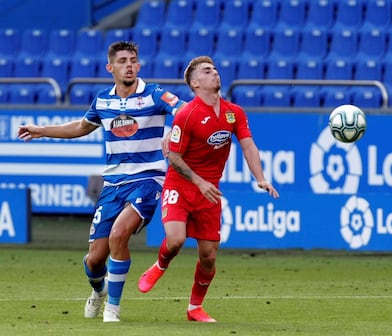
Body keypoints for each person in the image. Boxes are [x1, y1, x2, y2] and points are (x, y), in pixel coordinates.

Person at [17, 41, 186, 322]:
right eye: (122, 61)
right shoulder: (103, 100)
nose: (129, 65)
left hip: (147, 180)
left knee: (120, 236)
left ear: (139, 65)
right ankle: (99, 291)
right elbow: (81, 127)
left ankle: (113, 310)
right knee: (94, 260)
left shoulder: (155, 94)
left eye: (133, 60)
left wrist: (171, 131)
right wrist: (41, 130)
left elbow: (184, 110)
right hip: (113, 185)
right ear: (110, 67)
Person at [137, 56, 279, 323]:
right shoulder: (187, 115)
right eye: (206, 71)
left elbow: (248, 145)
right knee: (176, 239)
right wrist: (199, 182)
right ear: (195, 83)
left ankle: (194, 309)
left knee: (209, 256)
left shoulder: (234, 112)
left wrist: (260, 177)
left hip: (210, 192)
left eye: (214, 69)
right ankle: (159, 266)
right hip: (181, 185)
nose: (214, 73)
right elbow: (175, 157)